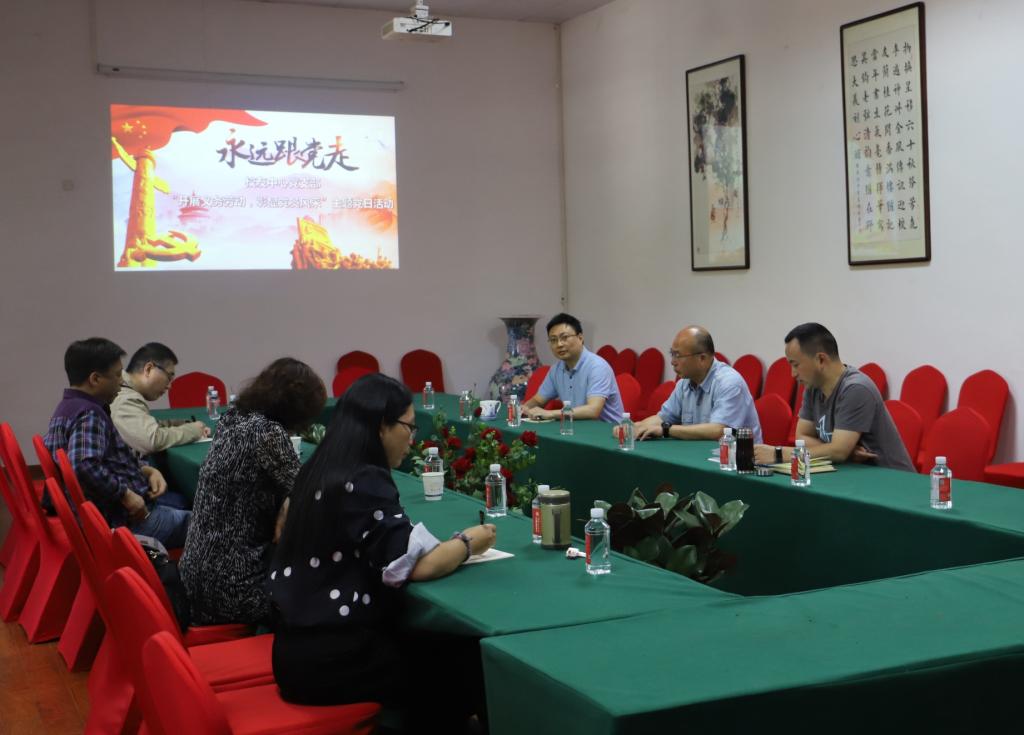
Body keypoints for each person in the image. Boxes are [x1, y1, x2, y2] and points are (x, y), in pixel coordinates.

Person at [270, 373, 496, 731]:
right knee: (466, 662)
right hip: (333, 658)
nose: (412, 439)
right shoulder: (364, 478)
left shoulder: (318, 468)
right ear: (380, 427)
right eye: (409, 427)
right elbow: (417, 566)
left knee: (433, 649)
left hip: (293, 650)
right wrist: (468, 542)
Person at [178, 357, 327, 626]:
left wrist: (288, 499)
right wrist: (292, 499)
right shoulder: (266, 432)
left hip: (195, 578)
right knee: (325, 591)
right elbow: (309, 493)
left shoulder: (233, 417)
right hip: (234, 591)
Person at [44, 338, 191, 547]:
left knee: (182, 507)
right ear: (95, 379)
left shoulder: (66, 408)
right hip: (125, 522)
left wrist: (145, 470)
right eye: (116, 375)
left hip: (109, 516)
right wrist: (125, 494)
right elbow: (84, 464)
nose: (121, 382)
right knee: (208, 524)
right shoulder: (89, 414)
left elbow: (107, 460)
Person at [753, 323, 915, 471]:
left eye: (796, 365)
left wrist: (778, 454)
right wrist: (840, 451)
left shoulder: (856, 388)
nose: (793, 374)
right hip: (854, 475)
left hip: (891, 480)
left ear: (821, 359)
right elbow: (802, 437)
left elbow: (838, 452)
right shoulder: (813, 387)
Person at [634, 326, 762, 442]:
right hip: (701, 454)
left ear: (702, 358)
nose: (673, 362)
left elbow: (718, 430)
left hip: (737, 458)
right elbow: (662, 418)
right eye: (672, 354)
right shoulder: (683, 384)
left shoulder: (729, 383)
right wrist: (637, 427)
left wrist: (666, 430)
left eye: (678, 355)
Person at [521, 312, 624, 423]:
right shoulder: (556, 369)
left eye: (564, 337)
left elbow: (593, 410)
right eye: (553, 340)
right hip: (576, 428)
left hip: (608, 430)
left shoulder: (597, 367)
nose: (559, 344)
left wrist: (550, 413)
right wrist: (522, 409)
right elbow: (538, 400)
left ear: (580, 338)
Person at [111, 342, 209, 458]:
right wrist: (194, 431)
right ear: (148, 369)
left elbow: (146, 427)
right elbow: (152, 440)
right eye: (169, 377)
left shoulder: (126, 391)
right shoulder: (124, 397)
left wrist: (184, 424)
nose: (169, 386)